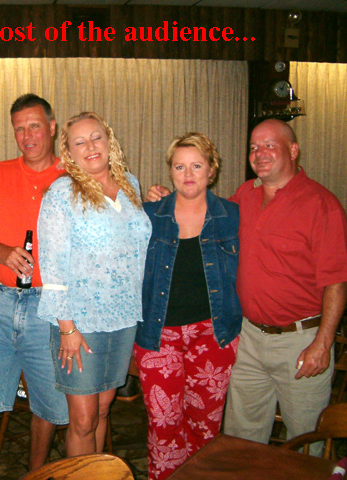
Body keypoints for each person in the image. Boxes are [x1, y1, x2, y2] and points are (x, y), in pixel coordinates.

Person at [148, 119, 347, 455]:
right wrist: (172, 199)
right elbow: (202, 213)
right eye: (254, 147)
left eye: (270, 145)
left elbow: (337, 281)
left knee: (306, 441)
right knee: (241, 440)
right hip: (248, 338)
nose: (260, 153)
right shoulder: (244, 197)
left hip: (299, 341)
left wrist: (322, 343)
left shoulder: (320, 203)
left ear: (293, 151)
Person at [0, 93, 69, 480]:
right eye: (19, 129)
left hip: (50, 309)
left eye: (34, 126)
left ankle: (35, 474)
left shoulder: (73, 178)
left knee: (48, 405)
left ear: (51, 128)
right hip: (0, 305)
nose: (27, 136)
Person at [37, 112, 151, 456]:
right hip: (80, 322)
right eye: (80, 142)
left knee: (103, 410)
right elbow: (52, 265)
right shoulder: (62, 193)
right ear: (69, 153)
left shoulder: (130, 184)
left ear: (109, 140)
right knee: (83, 419)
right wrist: (67, 328)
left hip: (124, 318)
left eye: (96, 137)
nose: (90, 146)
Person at [136, 132, 241, 480]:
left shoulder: (232, 216)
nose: (188, 174)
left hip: (213, 336)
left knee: (205, 428)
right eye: (180, 167)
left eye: (197, 165)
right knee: (163, 425)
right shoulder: (149, 215)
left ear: (212, 169)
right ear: (170, 171)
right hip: (158, 336)